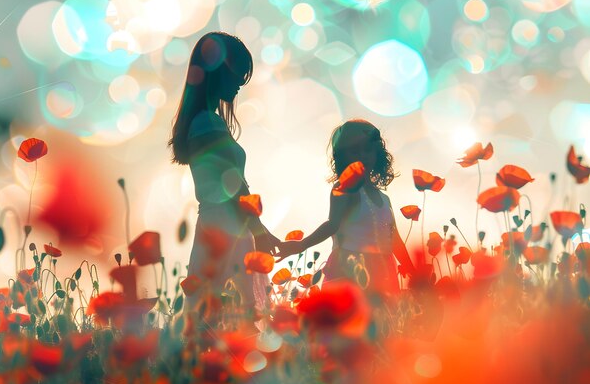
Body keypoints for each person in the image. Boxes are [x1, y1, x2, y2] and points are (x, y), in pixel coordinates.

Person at [168, 32, 280, 325]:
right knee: (227, 323)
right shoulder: (206, 123)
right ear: (219, 71)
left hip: (224, 227)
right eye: (237, 77)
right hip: (224, 229)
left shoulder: (208, 121)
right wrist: (259, 230)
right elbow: (231, 186)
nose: (239, 87)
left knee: (222, 322)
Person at [276, 119, 415, 296]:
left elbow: (394, 239)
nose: (363, 156)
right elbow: (332, 224)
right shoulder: (344, 188)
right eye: (354, 151)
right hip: (349, 268)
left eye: (368, 150)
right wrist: (302, 244)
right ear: (342, 155)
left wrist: (414, 272)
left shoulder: (384, 198)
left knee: (382, 321)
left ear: (377, 154)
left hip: (382, 272)